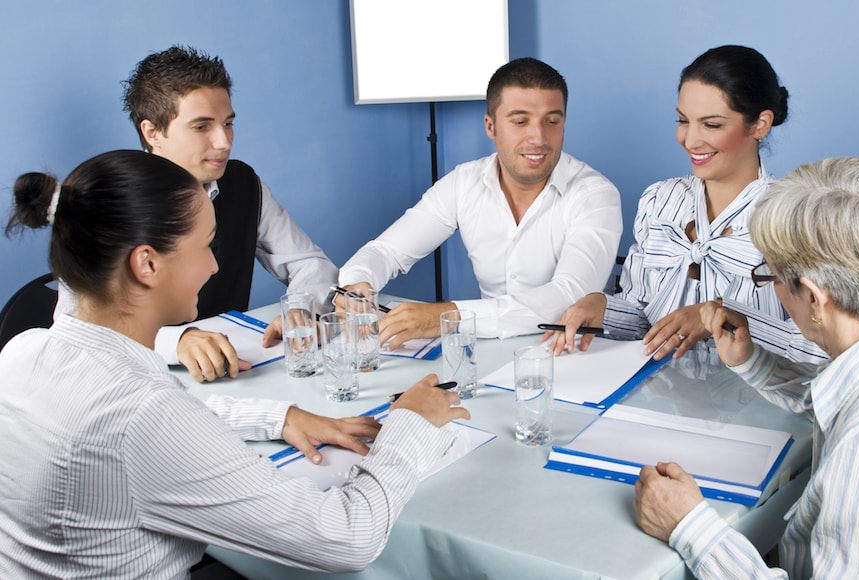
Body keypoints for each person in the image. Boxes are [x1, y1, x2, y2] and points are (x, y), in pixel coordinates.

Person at [0, 150, 469, 576]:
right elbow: (347, 538)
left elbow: (141, 421)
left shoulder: (22, 353)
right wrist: (410, 424)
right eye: (205, 245)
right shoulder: (144, 417)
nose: (214, 266)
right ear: (147, 265)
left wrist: (280, 417)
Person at [634, 157, 859, 578]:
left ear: (815, 299)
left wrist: (691, 527)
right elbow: (842, 398)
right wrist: (751, 360)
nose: (772, 288)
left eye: (771, 276)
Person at [54, 45, 339, 383]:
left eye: (228, 123)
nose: (224, 142)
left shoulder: (244, 184)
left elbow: (311, 264)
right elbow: (75, 327)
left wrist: (300, 309)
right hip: (134, 381)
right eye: (202, 127)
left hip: (233, 375)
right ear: (152, 132)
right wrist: (176, 341)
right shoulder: (109, 196)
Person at [546, 46, 824, 365]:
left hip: (755, 393)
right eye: (683, 121)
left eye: (712, 125)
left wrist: (723, 320)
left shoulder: (799, 218)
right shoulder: (659, 200)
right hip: (656, 390)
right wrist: (602, 307)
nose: (690, 140)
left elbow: (822, 345)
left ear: (760, 124)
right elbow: (642, 317)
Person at [338, 57, 622, 348]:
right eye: (520, 121)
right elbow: (386, 251)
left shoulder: (596, 194)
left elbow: (572, 295)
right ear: (491, 126)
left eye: (552, 121)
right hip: (491, 350)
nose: (538, 137)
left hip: (575, 352)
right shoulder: (464, 182)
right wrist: (357, 283)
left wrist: (450, 316)